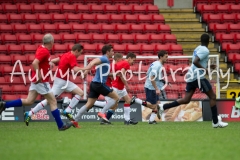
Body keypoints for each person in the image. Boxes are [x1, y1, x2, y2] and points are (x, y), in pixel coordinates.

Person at [0, 33, 73, 131]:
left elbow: (39, 62)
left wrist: (48, 65)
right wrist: (39, 74)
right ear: (51, 42)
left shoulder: (41, 48)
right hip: (41, 81)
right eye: (53, 42)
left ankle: (4, 105)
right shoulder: (45, 51)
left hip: (36, 80)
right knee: (53, 101)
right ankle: (60, 125)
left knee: (29, 101)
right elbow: (35, 62)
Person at [157, 34, 228, 128]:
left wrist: (208, 67)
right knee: (213, 96)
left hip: (191, 76)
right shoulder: (205, 50)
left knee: (186, 100)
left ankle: (163, 107)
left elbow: (196, 62)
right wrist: (205, 70)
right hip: (198, 77)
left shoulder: (198, 48)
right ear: (209, 41)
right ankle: (215, 122)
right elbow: (195, 62)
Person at [24, 44, 85, 128]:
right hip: (60, 82)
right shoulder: (72, 56)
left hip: (64, 81)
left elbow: (55, 60)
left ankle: (67, 110)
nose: (79, 55)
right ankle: (29, 113)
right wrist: (87, 68)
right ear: (76, 51)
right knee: (49, 100)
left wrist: (51, 62)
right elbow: (75, 69)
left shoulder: (66, 54)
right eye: (80, 53)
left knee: (80, 93)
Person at [73, 44, 119, 124]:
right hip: (99, 84)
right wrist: (85, 71)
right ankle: (102, 112)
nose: (113, 53)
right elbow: (93, 62)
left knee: (89, 104)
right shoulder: (104, 58)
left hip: (94, 84)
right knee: (116, 98)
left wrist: (115, 74)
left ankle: (75, 120)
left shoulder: (105, 60)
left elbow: (104, 73)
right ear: (107, 52)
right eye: (112, 51)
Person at [144, 50, 168, 124]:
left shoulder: (156, 63)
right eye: (166, 57)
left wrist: (163, 81)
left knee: (158, 104)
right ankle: (136, 101)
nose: (167, 58)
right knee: (152, 105)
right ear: (161, 57)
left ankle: (151, 120)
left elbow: (147, 73)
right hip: (151, 87)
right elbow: (151, 77)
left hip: (153, 86)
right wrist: (157, 89)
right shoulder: (157, 65)